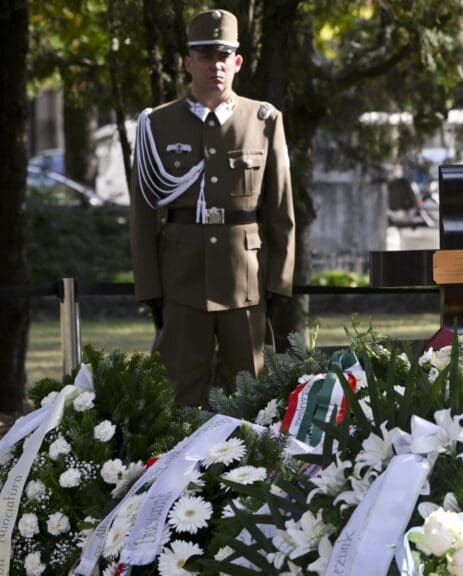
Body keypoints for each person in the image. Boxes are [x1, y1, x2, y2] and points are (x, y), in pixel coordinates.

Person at [129, 9, 295, 406]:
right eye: (205, 56)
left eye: (224, 56)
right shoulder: (157, 125)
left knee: (253, 394)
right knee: (178, 393)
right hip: (182, 278)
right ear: (188, 62)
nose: (215, 65)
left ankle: (255, 469)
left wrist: (277, 284)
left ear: (237, 63)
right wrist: (150, 288)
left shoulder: (264, 120)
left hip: (245, 279)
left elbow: (280, 211)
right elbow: (141, 214)